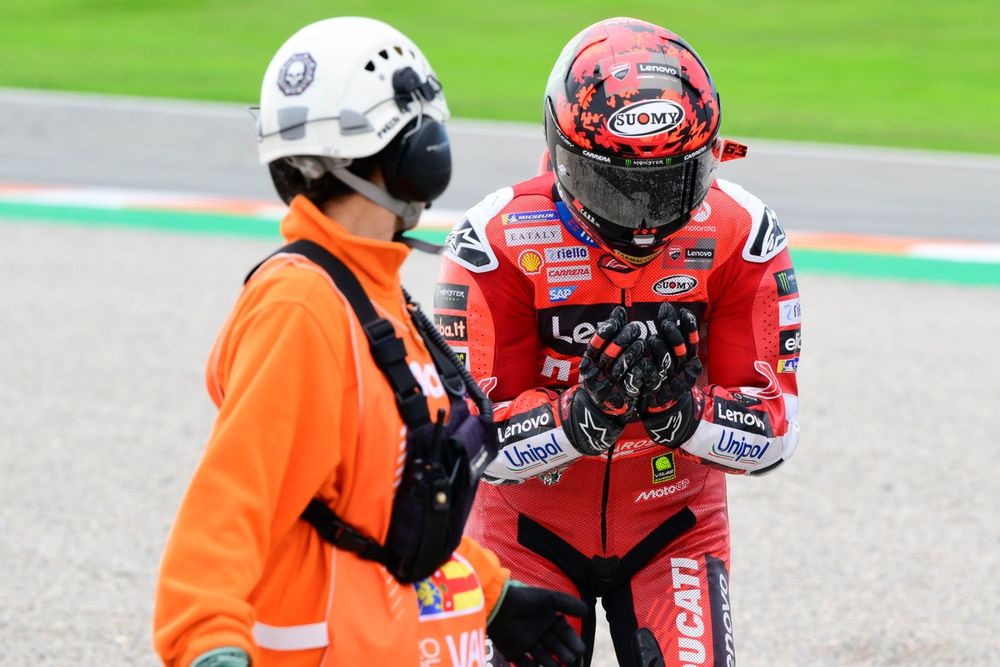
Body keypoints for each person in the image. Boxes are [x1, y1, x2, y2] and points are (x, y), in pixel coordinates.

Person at [153, 17, 586, 667]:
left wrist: (490, 593)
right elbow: (229, 507)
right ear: (412, 151)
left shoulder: (372, 292)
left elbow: (382, 500)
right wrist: (208, 644)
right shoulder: (303, 309)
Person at [434, 16, 802, 667]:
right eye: (620, 188)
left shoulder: (746, 234)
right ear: (563, 156)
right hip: (525, 531)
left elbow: (775, 431)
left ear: (713, 156)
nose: (645, 220)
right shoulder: (492, 242)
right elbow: (470, 444)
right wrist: (580, 418)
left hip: (673, 527)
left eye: (671, 186)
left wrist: (683, 413)